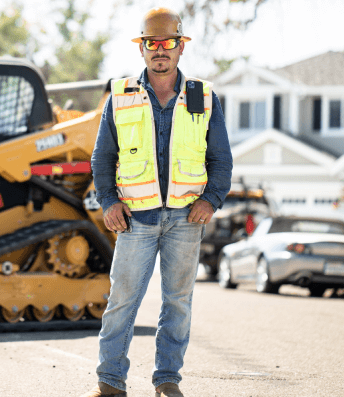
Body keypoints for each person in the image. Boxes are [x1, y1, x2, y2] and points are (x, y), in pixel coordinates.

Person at [80, 7, 232, 397]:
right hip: (136, 219)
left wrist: (211, 200)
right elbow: (102, 157)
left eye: (167, 43)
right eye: (152, 44)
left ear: (181, 47)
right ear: (142, 50)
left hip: (186, 218)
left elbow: (221, 159)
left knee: (177, 304)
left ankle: (167, 381)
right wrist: (108, 202)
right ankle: (110, 382)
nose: (159, 50)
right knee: (121, 302)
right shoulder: (121, 95)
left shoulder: (203, 96)